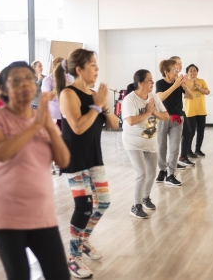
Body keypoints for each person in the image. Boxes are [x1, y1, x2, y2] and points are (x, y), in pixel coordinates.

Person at [0, 61, 71, 280]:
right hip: (5, 213)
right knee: (19, 275)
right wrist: (36, 126)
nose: (25, 84)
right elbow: (1, 152)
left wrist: (45, 124)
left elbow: (64, 160)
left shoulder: (41, 118)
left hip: (41, 212)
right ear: (4, 88)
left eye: (29, 78)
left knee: (59, 275)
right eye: (16, 80)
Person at [56, 49, 119, 278]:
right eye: (92, 65)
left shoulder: (95, 95)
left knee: (103, 202)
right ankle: (73, 258)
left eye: (96, 64)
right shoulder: (68, 94)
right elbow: (78, 127)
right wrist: (95, 106)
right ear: (79, 69)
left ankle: (82, 241)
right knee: (83, 207)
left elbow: (113, 123)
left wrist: (104, 106)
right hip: (74, 159)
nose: (97, 68)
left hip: (94, 156)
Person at [122, 70, 169, 219]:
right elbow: (131, 121)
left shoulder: (153, 97)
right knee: (142, 173)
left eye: (152, 80)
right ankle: (136, 206)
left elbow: (166, 116)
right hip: (133, 142)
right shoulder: (130, 100)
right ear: (140, 83)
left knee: (152, 174)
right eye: (149, 80)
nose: (152, 82)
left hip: (150, 141)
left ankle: (145, 197)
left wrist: (153, 112)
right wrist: (149, 112)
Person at [155, 59, 194, 186]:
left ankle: (171, 174)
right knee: (161, 146)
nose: (177, 72)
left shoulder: (178, 83)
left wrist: (184, 86)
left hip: (177, 118)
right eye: (174, 70)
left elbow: (191, 96)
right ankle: (162, 170)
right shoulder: (160, 83)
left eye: (177, 70)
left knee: (174, 147)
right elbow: (160, 97)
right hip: (163, 117)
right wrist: (175, 86)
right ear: (166, 72)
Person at [170, 56, 195, 168]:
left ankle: (181, 158)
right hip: (170, 113)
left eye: (181, 63)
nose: (180, 66)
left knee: (188, 132)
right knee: (173, 140)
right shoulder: (168, 80)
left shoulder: (179, 79)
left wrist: (184, 85)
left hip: (179, 111)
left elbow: (189, 96)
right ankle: (175, 161)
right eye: (178, 64)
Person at [184, 64, 210, 157]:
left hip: (201, 110)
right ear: (187, 73)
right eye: (190, 71)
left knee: (201, 131)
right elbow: (185, 95)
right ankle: (188, 151)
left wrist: (198, 87)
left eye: (194, 70)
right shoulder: (185, 82)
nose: (193, 72)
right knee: (191, 132)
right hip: (190, 111)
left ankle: (198, 149)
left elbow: (207, 92)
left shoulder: (201, 81)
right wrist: (191, 88)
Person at [42, 57, 73, 129]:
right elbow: (48, 98)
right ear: (53, 67)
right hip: (53, 115)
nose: (61, 70)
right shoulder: (47, 80)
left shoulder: (68, 77)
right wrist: (59, 85)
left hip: (66, 113)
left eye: (63, 68)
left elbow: (73, 93)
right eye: (59, 68)